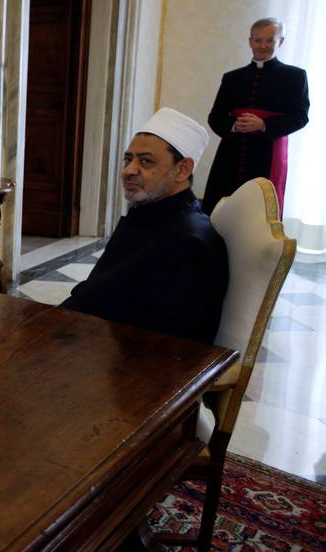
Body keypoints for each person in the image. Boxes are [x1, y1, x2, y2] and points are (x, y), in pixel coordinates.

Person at [62, 108, 228, 344]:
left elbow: (161, 341)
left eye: (146, 161)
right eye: (128, 159)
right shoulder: (148, 212)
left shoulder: (189, 242)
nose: (129, 170)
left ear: (183, 169)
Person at [203, 17, 309, 217]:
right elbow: (215, 117)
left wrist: (263, 124)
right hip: (231, 153)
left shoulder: (295, 76)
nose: (263, 46)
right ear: (250, 41)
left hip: (268, 154)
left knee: (258, 217)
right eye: (258, 40)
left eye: (269, 40)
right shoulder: (232, 78)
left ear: (281, 41)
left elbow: (300, 117)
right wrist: (234, 126)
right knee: (221, 210)